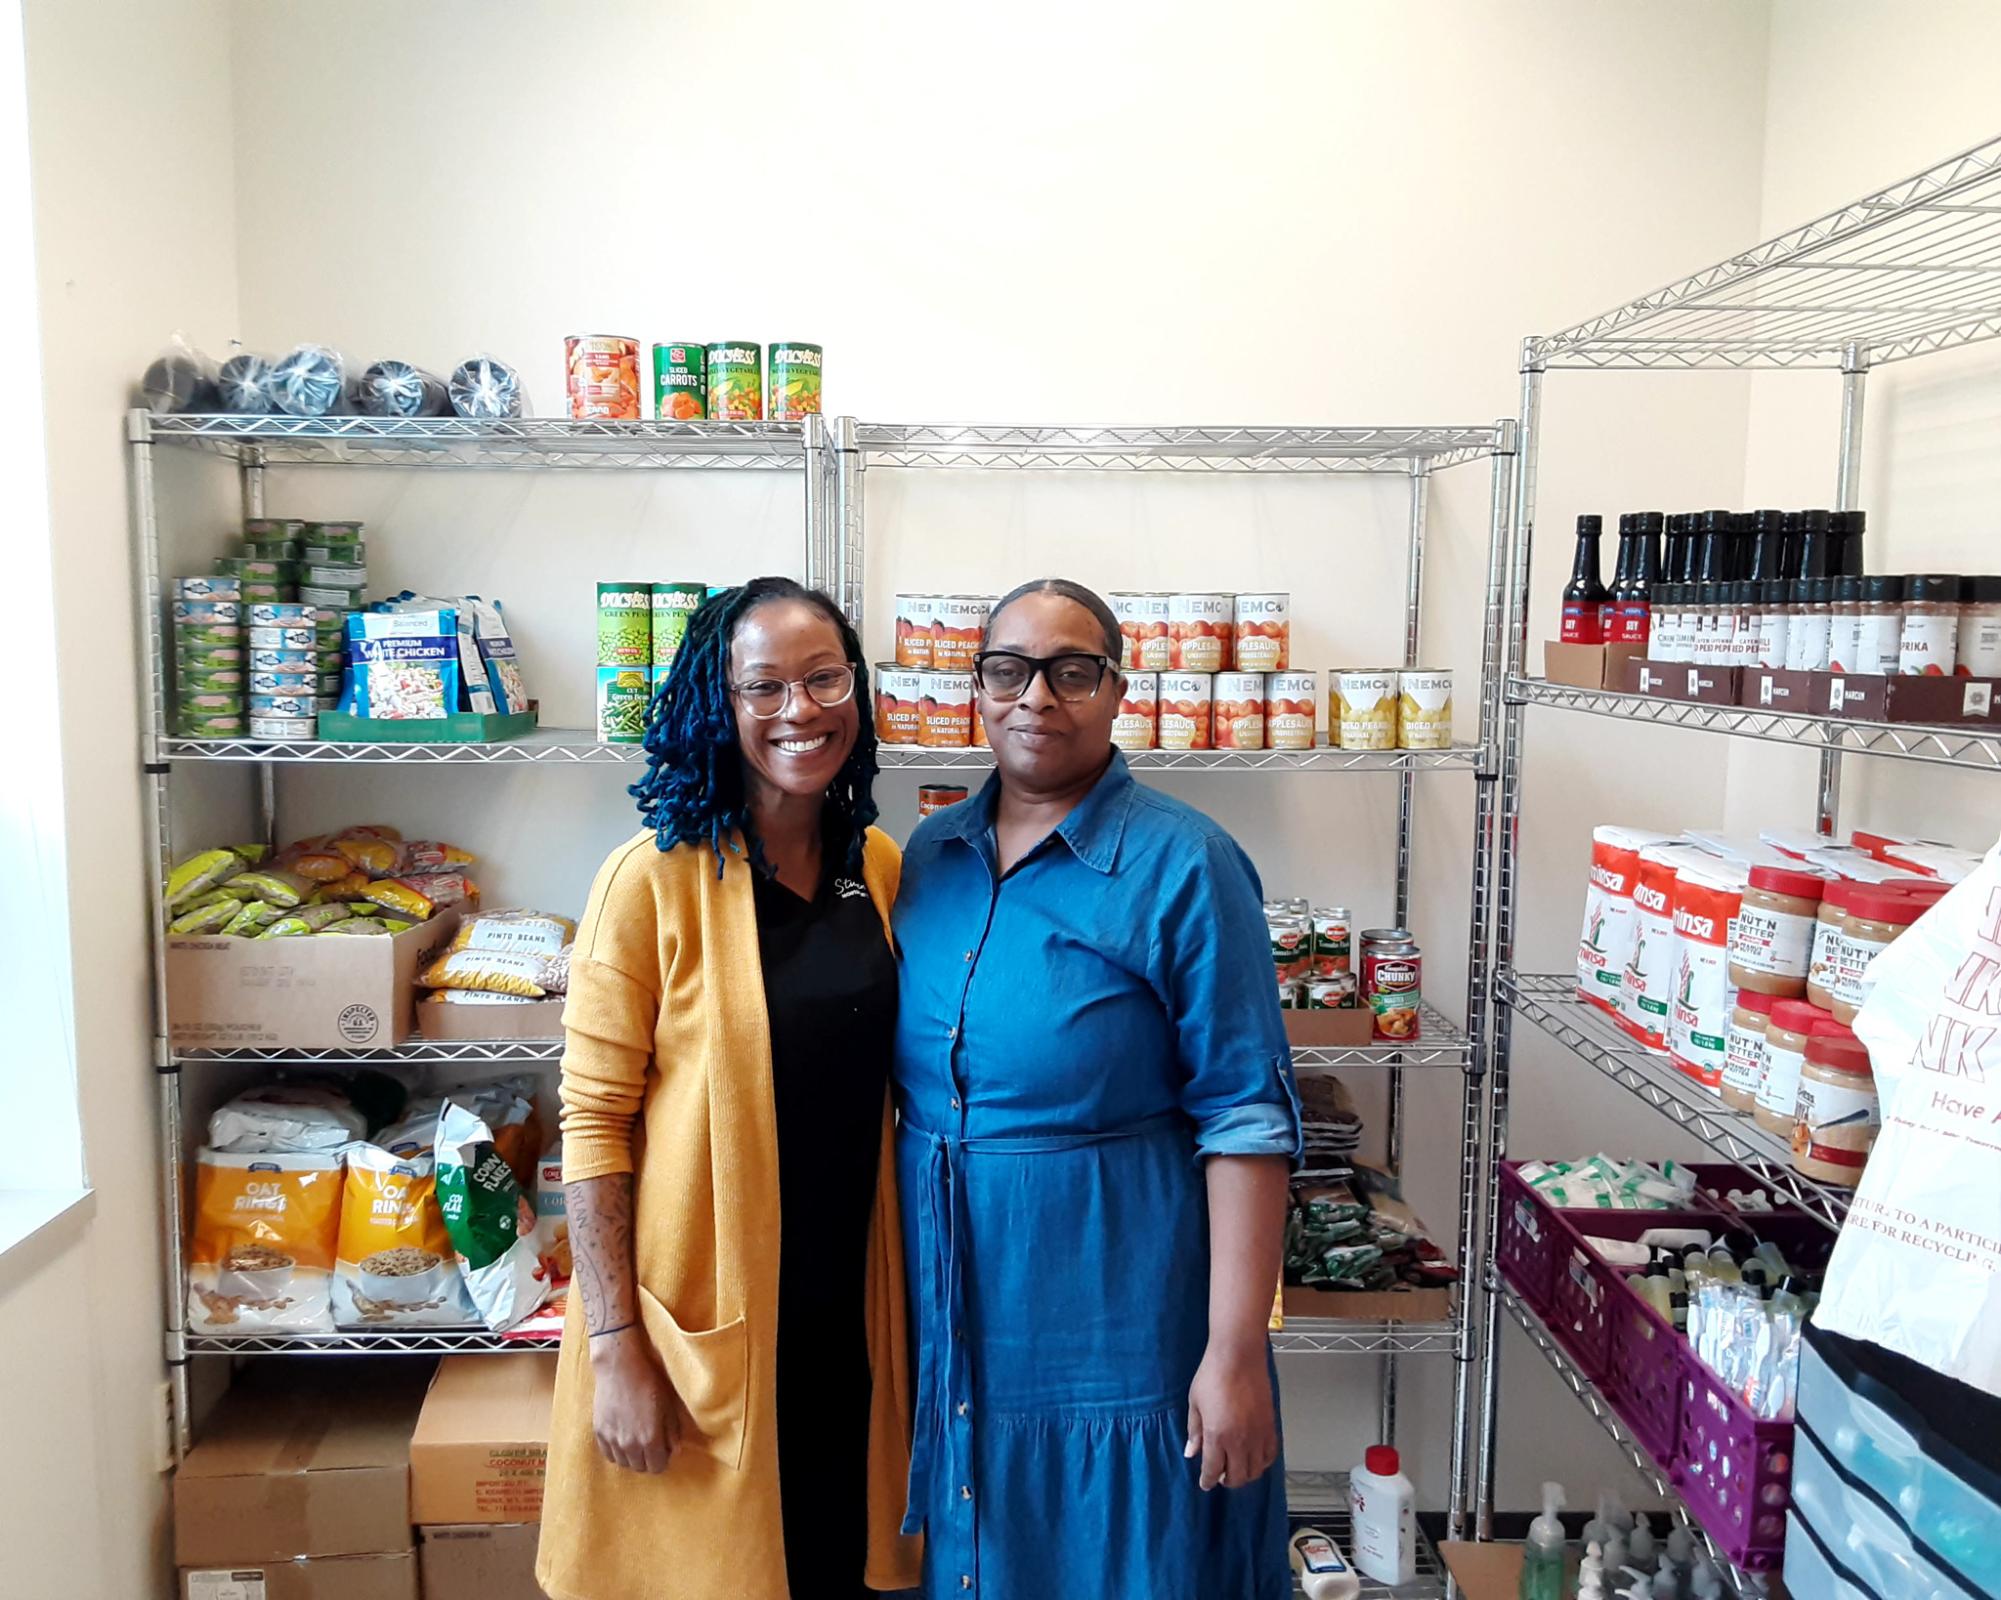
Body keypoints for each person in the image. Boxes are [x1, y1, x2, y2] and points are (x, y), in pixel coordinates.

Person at [891, 577, 1304, 1599]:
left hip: (1121, 1317)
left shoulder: (1186, 864)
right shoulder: (931, 858)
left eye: (1072, 671)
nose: (1038, 695)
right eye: (1009, 669)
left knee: (1136, 1559)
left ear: (1117, 691)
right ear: (978, 689)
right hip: (958, 1313)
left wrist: (1235, 1353)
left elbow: (1247, 1117)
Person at [536, 578, 922, 1600]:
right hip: (700, 1316)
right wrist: (617, 1345)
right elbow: (593, 1121)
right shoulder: (650, 879)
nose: (800, 709)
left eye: (823, 678)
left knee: (835, 1560)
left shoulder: (876, 865)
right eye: (765, 686)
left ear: (856, 690)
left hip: (846, 1312)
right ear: (720, 701)